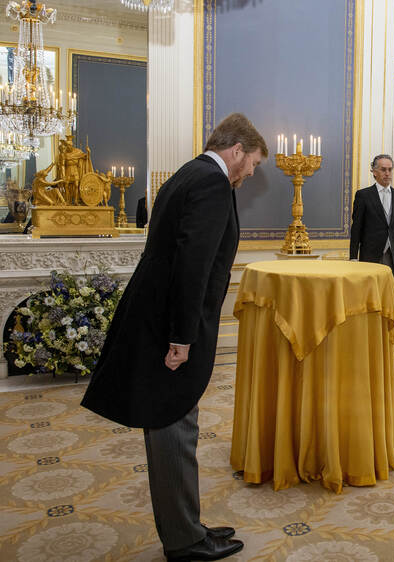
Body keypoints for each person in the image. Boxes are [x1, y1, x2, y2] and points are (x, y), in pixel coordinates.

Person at [81, 113, 266, 561]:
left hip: (154, 317)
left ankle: (188, 526)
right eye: (254, 163)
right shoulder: (212, 183)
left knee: (175, 424)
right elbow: (192, 264)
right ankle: (185, 542)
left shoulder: (188, 172)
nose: (251, 172)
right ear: (237, 150)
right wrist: (182, 337)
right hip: (170, 327)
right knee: (175, 427)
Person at [349, 154, 394, 366]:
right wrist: (353, 258)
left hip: (392, 259)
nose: (387, 173)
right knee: (371, 305)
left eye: (390, 169)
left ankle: (389, 351)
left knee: (389, 305)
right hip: (370, 259)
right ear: (373, 172)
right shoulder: (363, 196)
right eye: (383, 169)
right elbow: (356, 229)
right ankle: (367, 352)